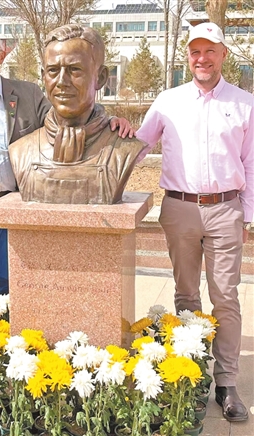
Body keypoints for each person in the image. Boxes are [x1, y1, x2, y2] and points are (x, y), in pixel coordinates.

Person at [0, 29, 133, 303]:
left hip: (14, 200)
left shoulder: (26, 93)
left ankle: (13, 329)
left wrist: (108, 121)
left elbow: (62, 115)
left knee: (13, 281)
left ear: (2, 55)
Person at [137, 22, 253, 422]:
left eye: (209, 51)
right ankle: (190, 373)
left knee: (226, 298)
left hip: (226, 209)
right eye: (195, 52)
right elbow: (138, 147)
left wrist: (246, 216)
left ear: (223, 54)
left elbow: (251, 164)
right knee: (186, 295)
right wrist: (113, 133)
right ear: (188, 57)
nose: (202, 59)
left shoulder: (245, 103)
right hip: (180, 208)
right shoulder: (167, 101)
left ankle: (227, 383)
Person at [9, 24, 145, 204]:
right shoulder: (21, 150)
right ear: (43, 76)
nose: (61, 81)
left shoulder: (124, 149)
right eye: (53, 70)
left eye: (74, 69)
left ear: (100, 77)